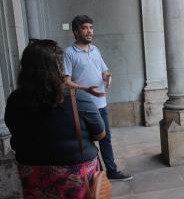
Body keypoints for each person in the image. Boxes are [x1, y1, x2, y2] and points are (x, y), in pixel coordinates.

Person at [5, 39, 106, 198]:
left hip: (32, 170)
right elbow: (100, 133)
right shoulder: (77, 98)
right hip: (76, 170)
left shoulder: (14, 100)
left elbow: (13, 128)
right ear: (57, 68)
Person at [63, 15, 132, 181]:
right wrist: (86, 90)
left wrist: (108, 77)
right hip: (81, 106)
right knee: (86, 141)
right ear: (75, 31)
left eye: (91, 27)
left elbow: (104, 71)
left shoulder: (95, 50)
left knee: (105, 138)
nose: (89, 31)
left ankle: (112, 171)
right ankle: (92, 175)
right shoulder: (69, 53)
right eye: (85, 28)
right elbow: (66, 82)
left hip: (100, 104)